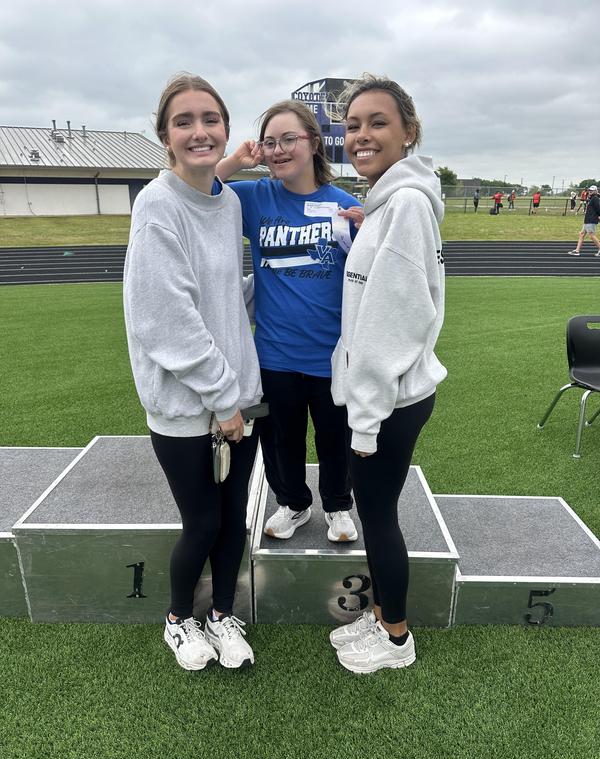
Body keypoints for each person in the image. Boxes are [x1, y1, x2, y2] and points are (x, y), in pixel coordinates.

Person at [123, 73, 262, 672]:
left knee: (234, 519)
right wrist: (223, 398)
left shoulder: (225, 201)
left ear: (226, 127)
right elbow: (167, 321)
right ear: (165, 136)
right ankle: (180, 619)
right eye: (185, 121)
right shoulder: (155, 208)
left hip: (240, 398)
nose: (199, 130)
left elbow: (222, 293)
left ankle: (222, 612)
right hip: (189, 406)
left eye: (211, 118)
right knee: (202, 520)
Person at [328, 74, 447, 674]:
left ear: (408, 133)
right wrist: (361, 228)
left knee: (378, 519)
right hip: (389, 392)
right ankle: (381, 620)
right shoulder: (387, 204)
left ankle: (395, 638)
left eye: (378, 123)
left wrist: (366, 420)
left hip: (388, 400)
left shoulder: (403, 205)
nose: (362, 135)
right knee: (375, 514)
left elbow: (391, 324)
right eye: (352, 125)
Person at [216, 100, 362, 544]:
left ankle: (337, 506)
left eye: (289, 139)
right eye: (270, 142)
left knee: (336, 440)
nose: (279, 150)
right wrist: (235, 162)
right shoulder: (255, 198)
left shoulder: (346, 206)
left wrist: (364, 231)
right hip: (275, 355)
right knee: (281, 442)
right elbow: (198, 188)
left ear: (314, 143)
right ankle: (294, 504)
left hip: (332, 355)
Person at [568, 185, 600, 256]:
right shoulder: (591, 198)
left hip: (591, 220)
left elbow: (598, 209)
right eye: (589, 190)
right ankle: (577, 251)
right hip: (587, 219)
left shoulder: (595, 198)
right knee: (582, 234)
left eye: (591, 190)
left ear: (595, 191)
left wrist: (598, 216)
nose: (590, 191)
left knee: (591, 235)